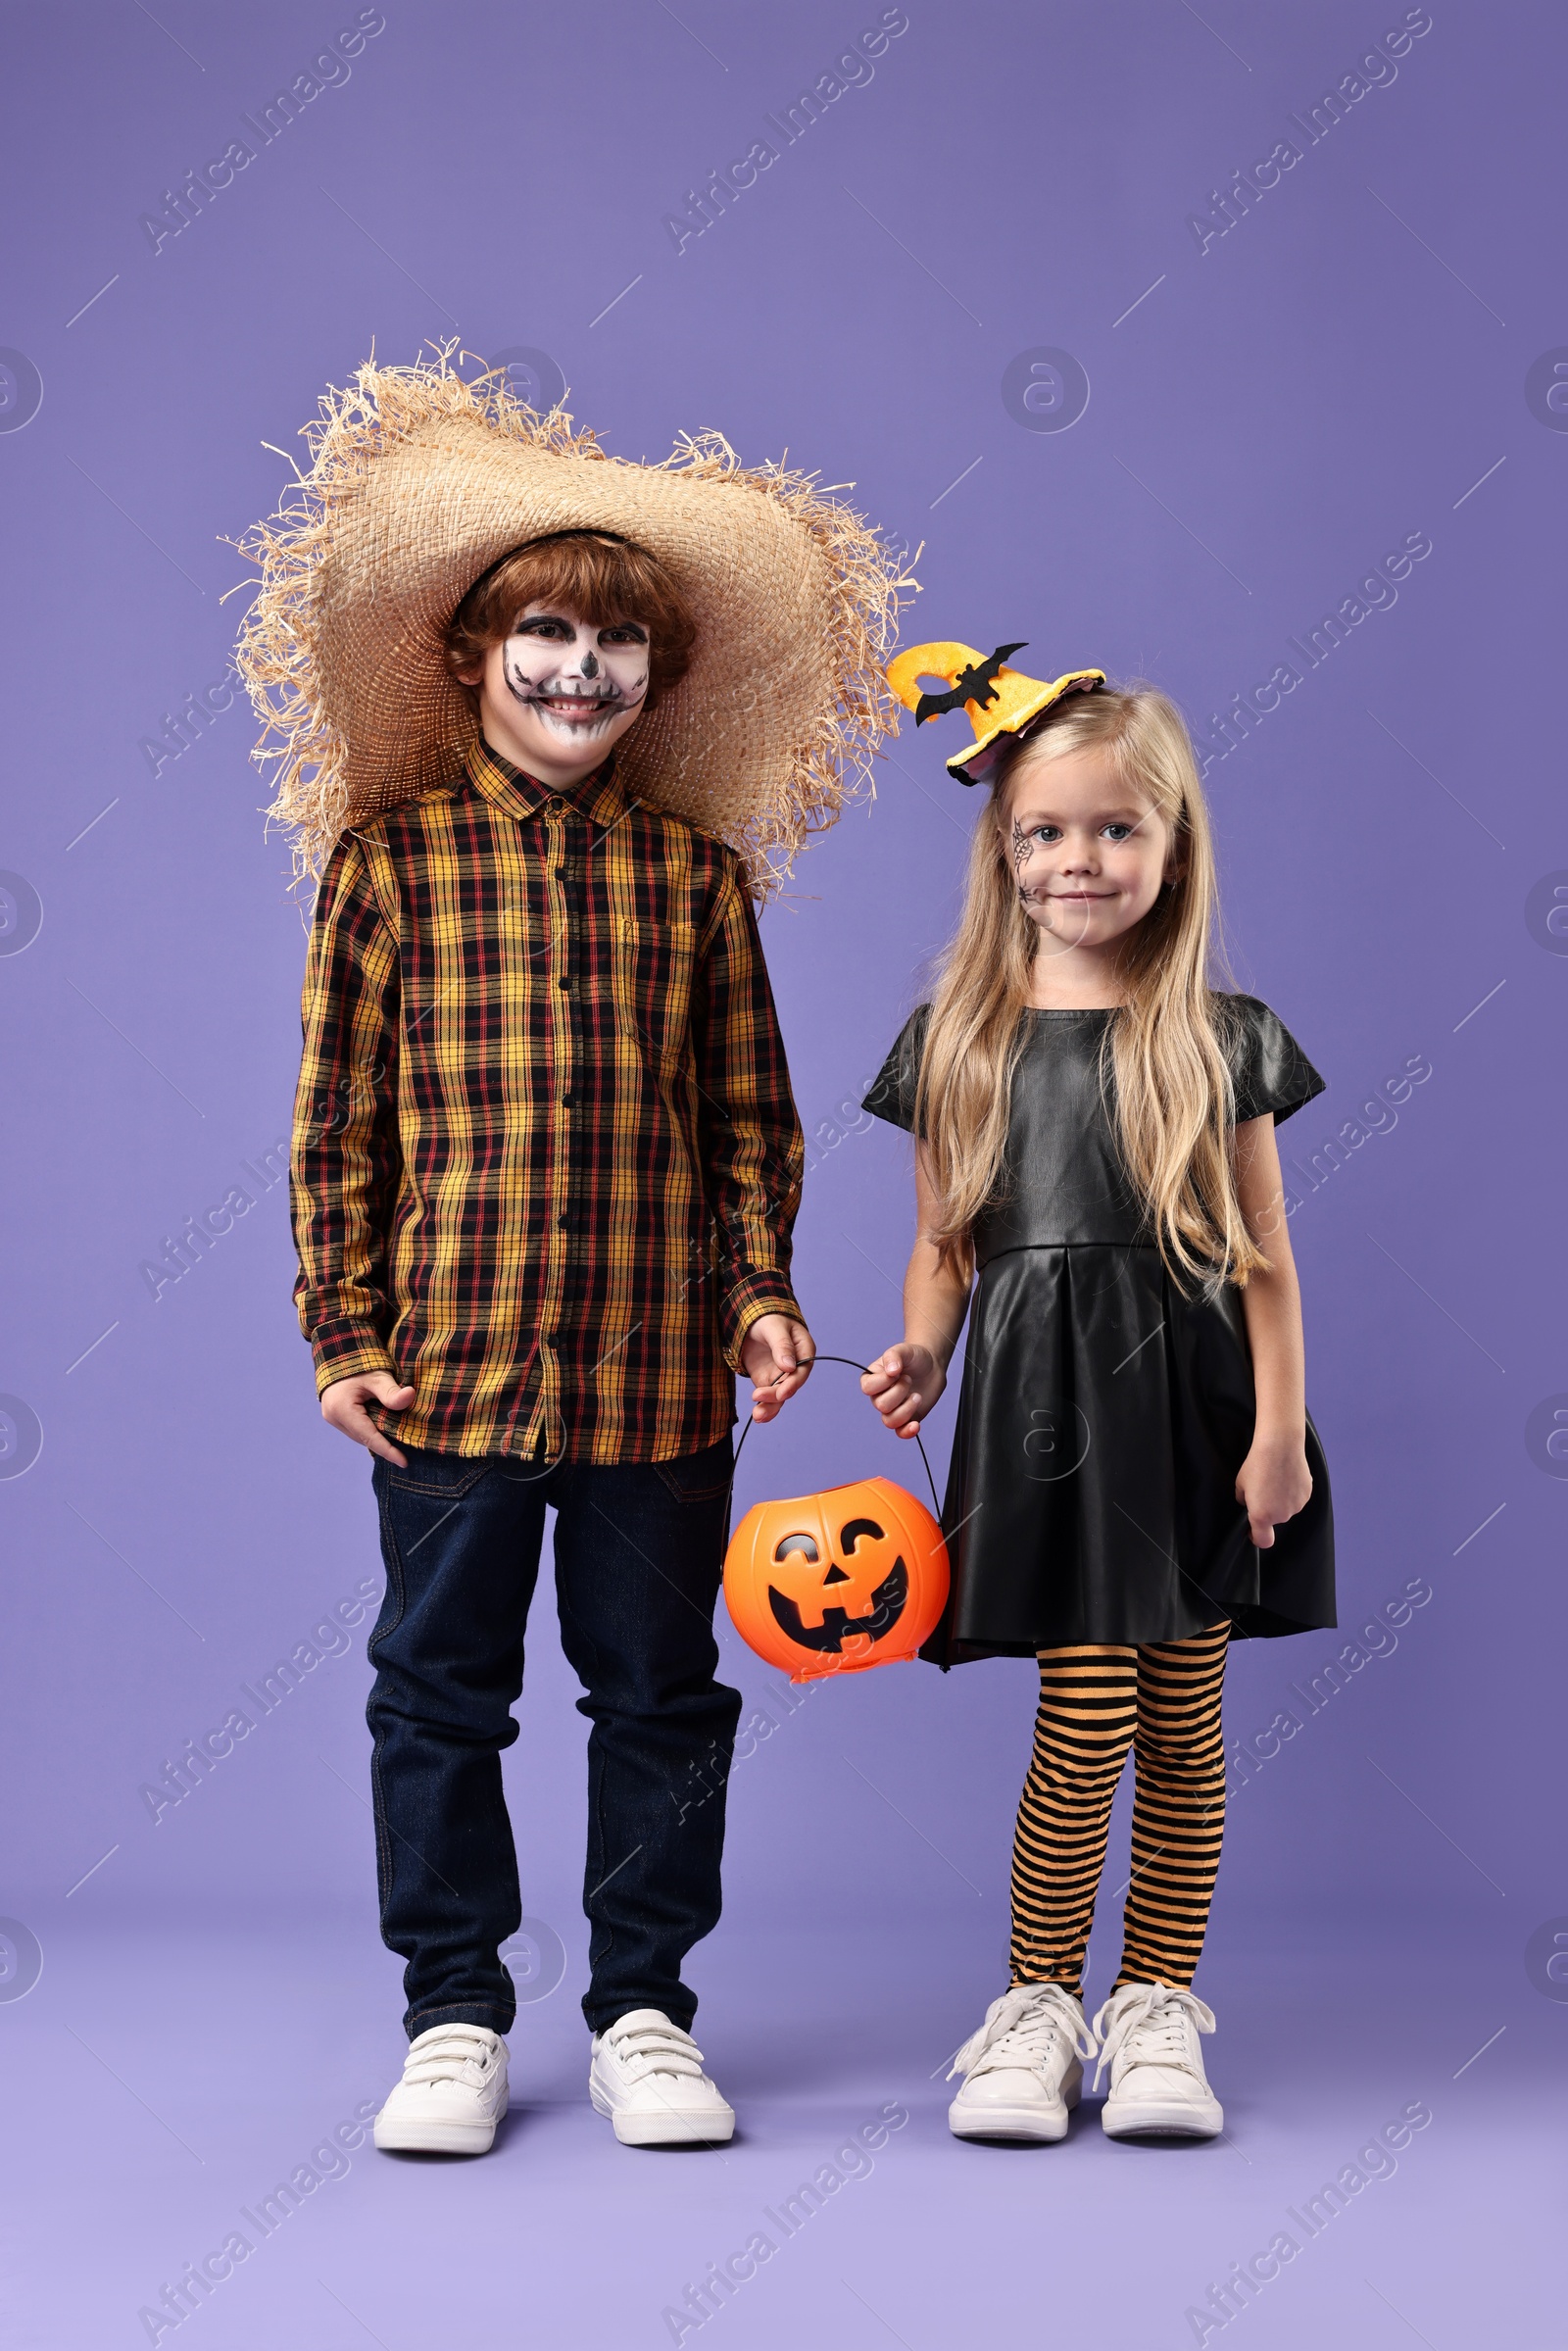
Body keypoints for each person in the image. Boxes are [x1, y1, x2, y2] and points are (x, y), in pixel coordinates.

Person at [234, 355, 906, 2155]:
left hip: (656, 1372)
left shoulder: (695, 879)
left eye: (615, 648)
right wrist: (340, 1328)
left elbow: (748, 1122)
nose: (579, 672)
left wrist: (761, 1300)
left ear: (657, 679)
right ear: (470, 651)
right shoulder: (386, 863)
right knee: (438, 1691)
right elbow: (337, 1126)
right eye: (543, 632)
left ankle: (641, 2010)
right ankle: (452, 2010)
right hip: (450, 1366)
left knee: (662, 1693)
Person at [859, 643, 1335, 2144]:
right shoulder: (961, 1041)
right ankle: (1036, 2004)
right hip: (1045, 1418)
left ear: (1172, 847)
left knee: (1183, 1723)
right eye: (1047, 833)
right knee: (1086, 1709)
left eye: (1117, 829)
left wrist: (1274, 1435)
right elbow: (945, 1242)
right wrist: (924, 1351)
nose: (1082, 859)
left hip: (1191, 1417)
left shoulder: (1216, 1036)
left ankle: (1155, 2009)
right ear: (1003, 855)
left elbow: (1263, 1261)